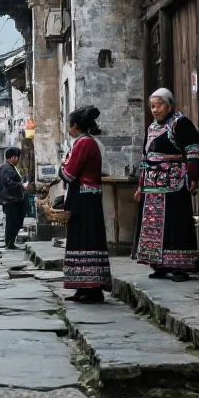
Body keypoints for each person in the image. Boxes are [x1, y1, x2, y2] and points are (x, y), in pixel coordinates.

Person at [134, 88, 199, 282]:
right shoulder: (152, 127)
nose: (155, 110)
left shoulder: (181, 124)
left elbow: (193, 150)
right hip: (152, 185)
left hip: (174, 184)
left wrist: (194, 176)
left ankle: (180, 267)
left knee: (176, 224)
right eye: (152, 106)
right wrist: (141, 184)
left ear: (170, 105)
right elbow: (145, 156)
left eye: (159, 105)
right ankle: (160, 264)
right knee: (153, 225)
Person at [61, 106, 111, 303]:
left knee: (84, 240)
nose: (68, 129)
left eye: (69, 125)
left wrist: (61, 168)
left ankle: (90, 288)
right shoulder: (89, 142)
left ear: (75, 126)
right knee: (85, 240)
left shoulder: (83, 144)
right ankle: (85, 286)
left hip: (84, 199)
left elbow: (69, 173)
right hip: (87, 197)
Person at [0, 146, 26, 249]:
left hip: (8, 199)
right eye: (18, 157)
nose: (18, 160)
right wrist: (22, 185)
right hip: (12, 199)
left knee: (12, 221)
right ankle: (9, 242)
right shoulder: (8, 168)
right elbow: (9, 183)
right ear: (14, 157)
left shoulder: (2, 167)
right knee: (14, 221)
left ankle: (10, 241)